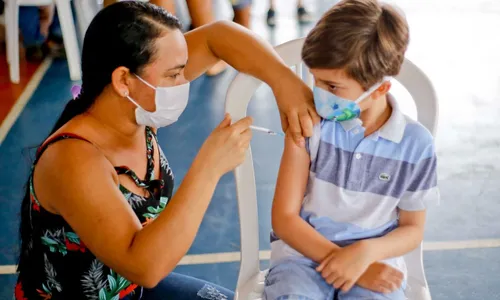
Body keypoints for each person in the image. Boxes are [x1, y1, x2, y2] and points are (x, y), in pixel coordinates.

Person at [14, 2, 318, 300]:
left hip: (132, 291)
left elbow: (218, 36)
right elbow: (144, 267)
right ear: (123, 80)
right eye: (173, 75)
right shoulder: (73, 160)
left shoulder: (135, 112)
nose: (182, 83)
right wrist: (209, 167)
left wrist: (284, 81)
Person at [264, 0, 439, 299]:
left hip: (372, 264)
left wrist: (364, 254)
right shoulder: (309, 123)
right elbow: (284, 218)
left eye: (332, 87)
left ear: (380, 89)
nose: (318, 92)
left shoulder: (416, 146)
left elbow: (412, 228)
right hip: (300, 260)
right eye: (315, 79)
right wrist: (340, 259)